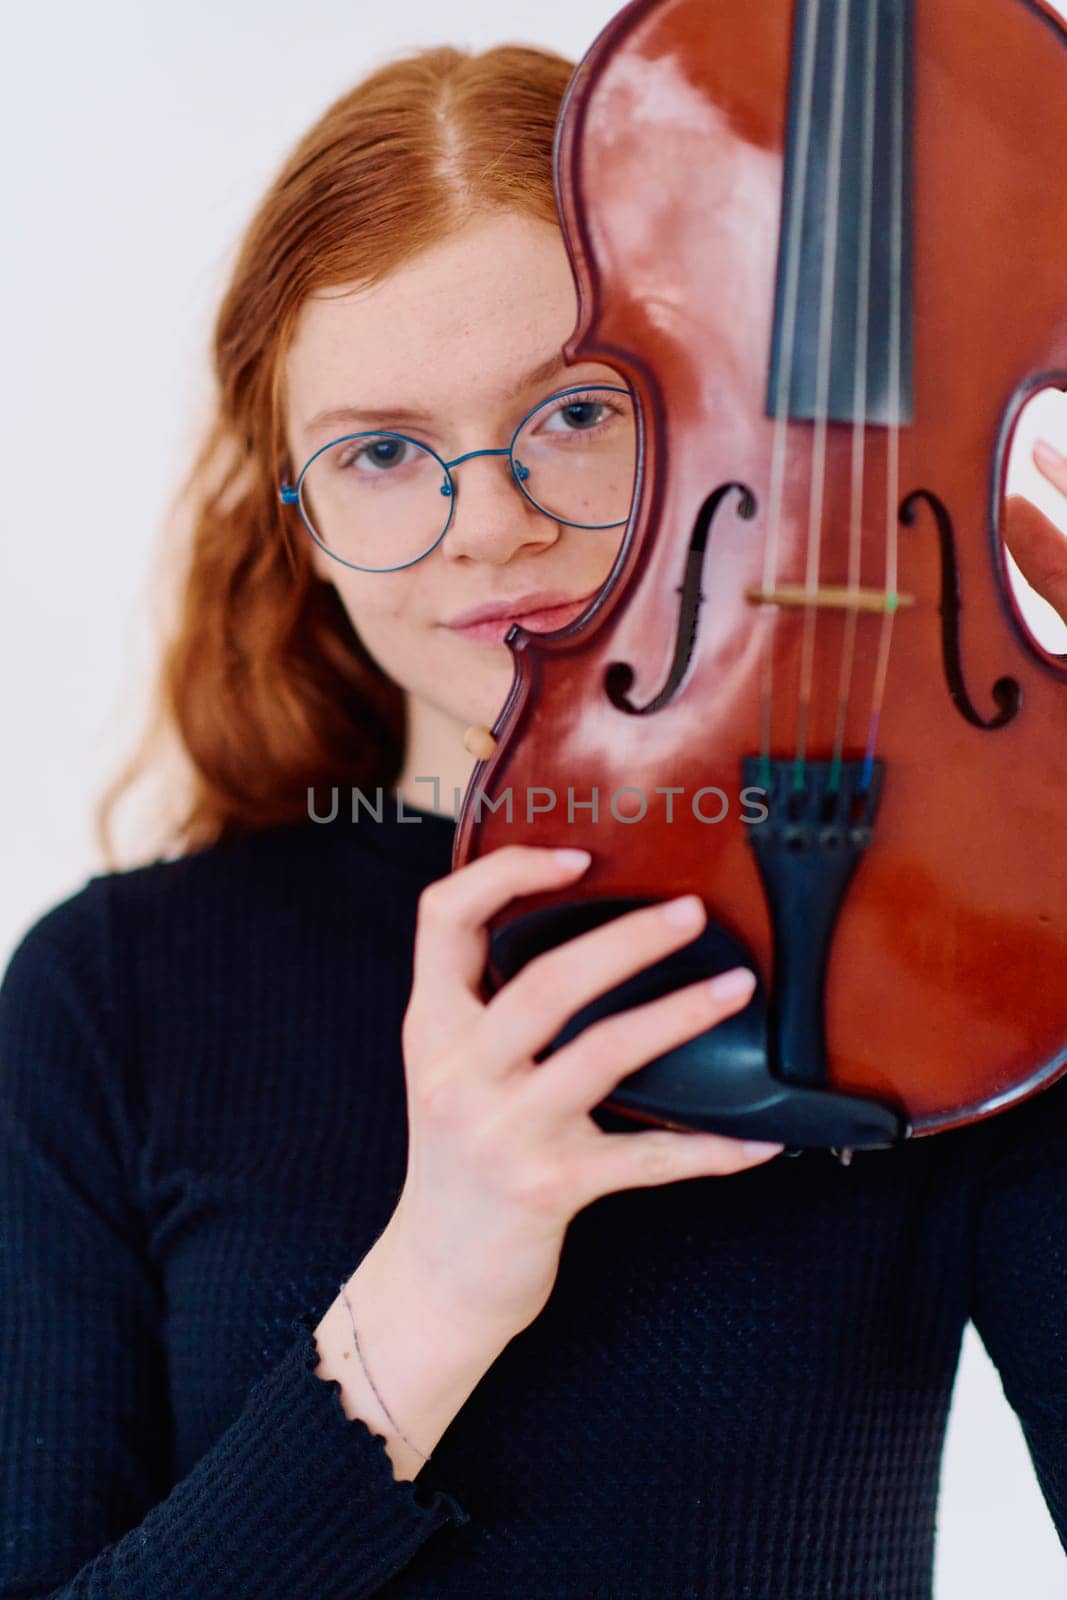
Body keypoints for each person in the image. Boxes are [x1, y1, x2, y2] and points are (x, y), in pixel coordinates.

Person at [2, 40, 1066, 1600]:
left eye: (578, 409)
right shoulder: (112, 991)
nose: (491, 521)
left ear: (725, 414)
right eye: (379, 453)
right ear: (294, 514)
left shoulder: (942, 951)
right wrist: (434, 1286)